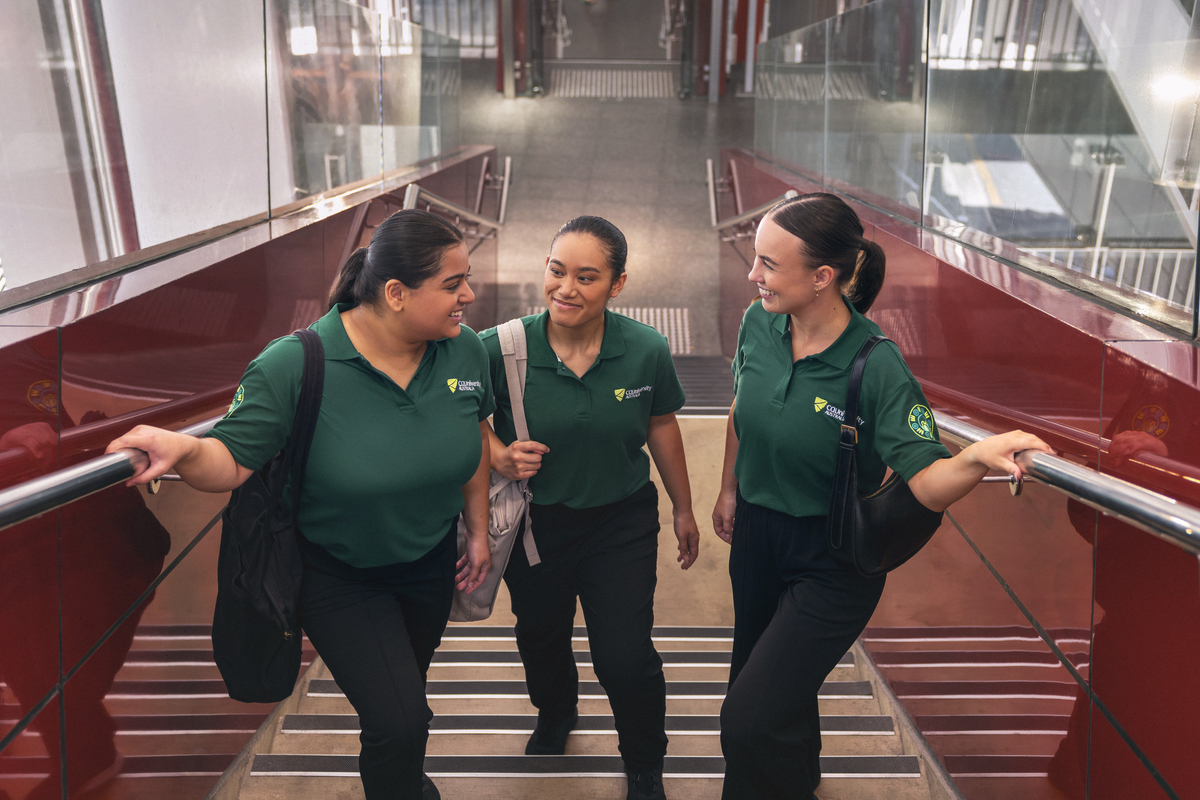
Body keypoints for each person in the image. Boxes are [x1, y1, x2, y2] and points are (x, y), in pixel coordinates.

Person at [105, 209, 494, 800]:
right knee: (401, 719)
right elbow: (231, 462)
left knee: (400, 704)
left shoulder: (463, 351)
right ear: (395, 293)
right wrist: (182, 447)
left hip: (429, 565)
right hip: (338, 575)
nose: (469, 295)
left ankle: (398, 774)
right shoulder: (295, 363)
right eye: (452, 284)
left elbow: (472, 444)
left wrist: (478, 531)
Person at [711, 193, 1053, 800]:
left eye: (767, 263)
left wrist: (972, 456)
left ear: (823, 277)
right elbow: (744, 408)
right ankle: (797, 781)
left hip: (834, 558)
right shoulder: (757, 323)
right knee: (765, 682)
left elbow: (925, 483)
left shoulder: (877, 366)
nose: (752, 274)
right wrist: (728, 488)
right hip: (759, 536)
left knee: (746, 716)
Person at [481, 216, 700, 800]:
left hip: (620, 521)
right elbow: (459, 415)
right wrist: (499, 453)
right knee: (541, 635)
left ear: (617, 284)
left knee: (624, 653)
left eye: (586, 276)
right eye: (556, 271)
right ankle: (556, 713)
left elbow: (661, 425)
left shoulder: (645, 349)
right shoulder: (501, 348)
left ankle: (645, 759)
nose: (565, 289)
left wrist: (683, 507)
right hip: (534, 524)